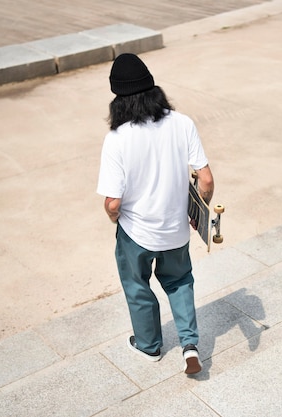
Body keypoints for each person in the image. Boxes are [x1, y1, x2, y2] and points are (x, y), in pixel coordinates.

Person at [96, 53, 214, 375]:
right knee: (179, 281)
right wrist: (198, 211)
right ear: (153, 89)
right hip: (175, 229)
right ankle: (190, 345)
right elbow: (205, 179)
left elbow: (113, 203)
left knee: (138, 286)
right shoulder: (182, 123)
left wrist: (112, 218)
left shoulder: (116, 140)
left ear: (118, 99)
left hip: (136, 234)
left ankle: (150, 346)